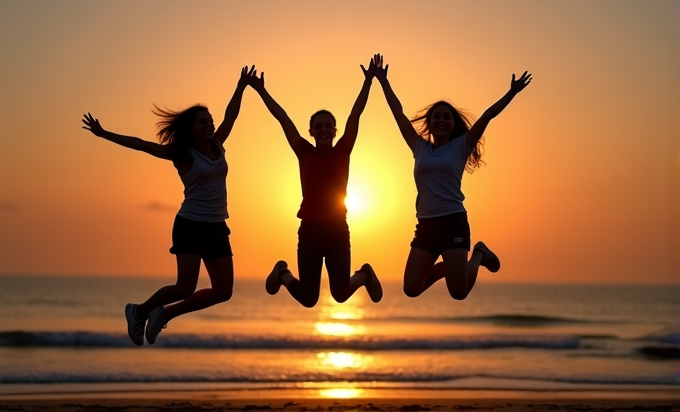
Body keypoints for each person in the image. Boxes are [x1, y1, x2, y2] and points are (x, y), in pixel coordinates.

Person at [81, 66, 256, 345]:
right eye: (203, 122)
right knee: (185, 287)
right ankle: (138, 311)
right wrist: (104, 134)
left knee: (223, 291)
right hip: (190, 225)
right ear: (191, 128)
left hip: (216, 226)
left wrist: (241, 87)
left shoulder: (218, 145)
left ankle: (164, 315)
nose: (210, 125)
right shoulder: (182, 154)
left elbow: (231, 116)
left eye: (210, 120)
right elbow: (142, 145)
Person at [373, 53, 531, 300]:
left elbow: (487, 116)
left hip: (453, 222)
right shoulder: (419, 147)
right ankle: (450, 266)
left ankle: (478, 253)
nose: (442, 120)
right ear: (431, 122)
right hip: (425, 225)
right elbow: (398, 114)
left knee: (459, 292)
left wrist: (511, 93)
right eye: (437, 116)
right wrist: (383, 82)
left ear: (453, 123)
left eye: (447, 116)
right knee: (411, 288)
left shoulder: (461, 145)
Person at [247, 59, 383, 307]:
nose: (323, 129)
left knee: (341, 294)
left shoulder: (343, 150)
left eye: (328, 125)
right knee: (309, 299)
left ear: (335, 130)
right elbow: (283, 118)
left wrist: (368, 81)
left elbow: (356, 114)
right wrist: (261, 90)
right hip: (309, 232)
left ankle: (364, 274)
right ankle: (282, 274)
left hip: (337, 231)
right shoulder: (303, 151)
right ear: (310, 131)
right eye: (318, 126)